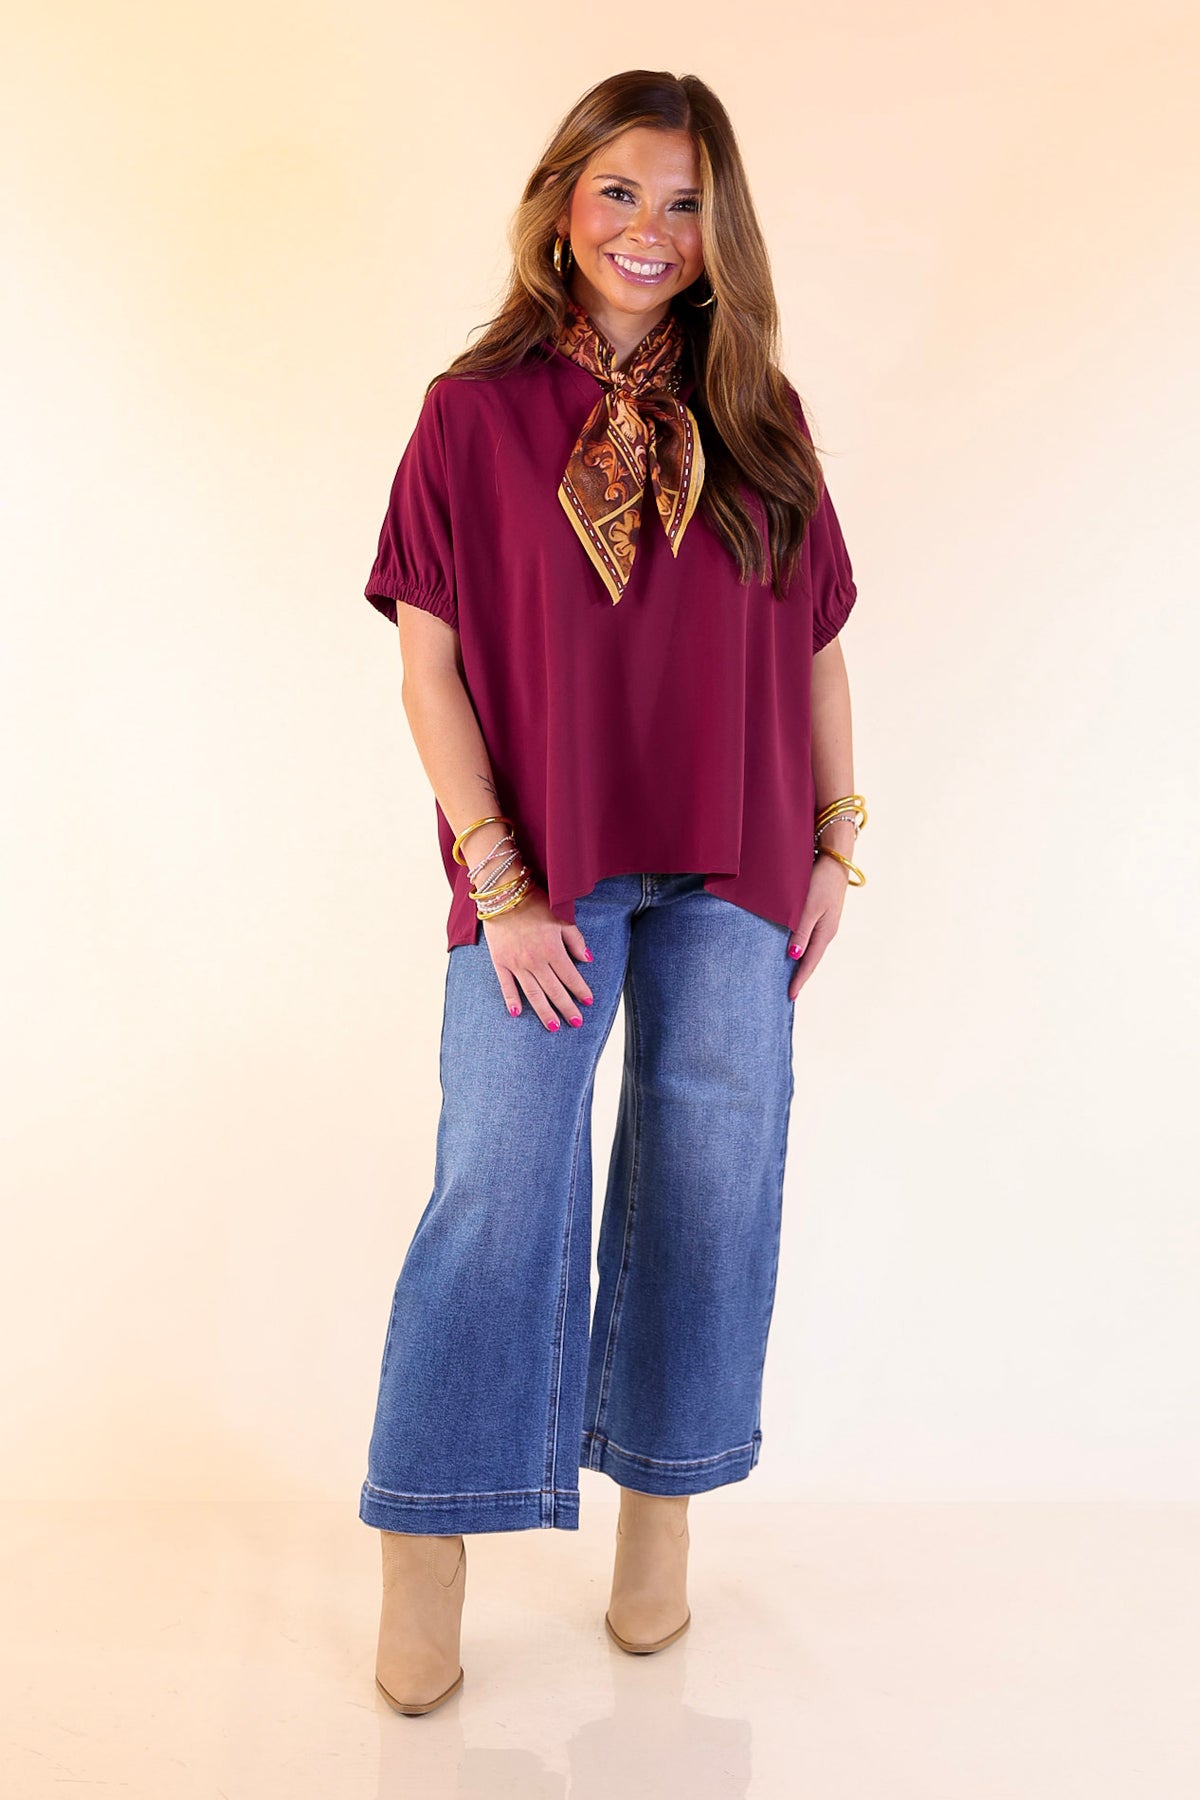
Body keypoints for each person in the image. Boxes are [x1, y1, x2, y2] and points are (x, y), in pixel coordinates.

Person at [357, 68, 867, 1716]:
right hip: (544, 863)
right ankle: (428, 1534)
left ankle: (663, 1513)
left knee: (712, 1180)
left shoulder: (763, 415)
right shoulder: (470, 415)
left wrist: (835, 838)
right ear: (564, 203)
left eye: (687, 201)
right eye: (622, 191)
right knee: (499, 1181)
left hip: (739, 857)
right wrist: (498, 881)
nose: (652, 229)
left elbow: (818, 642)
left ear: (724, 229)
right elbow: (430, 667)